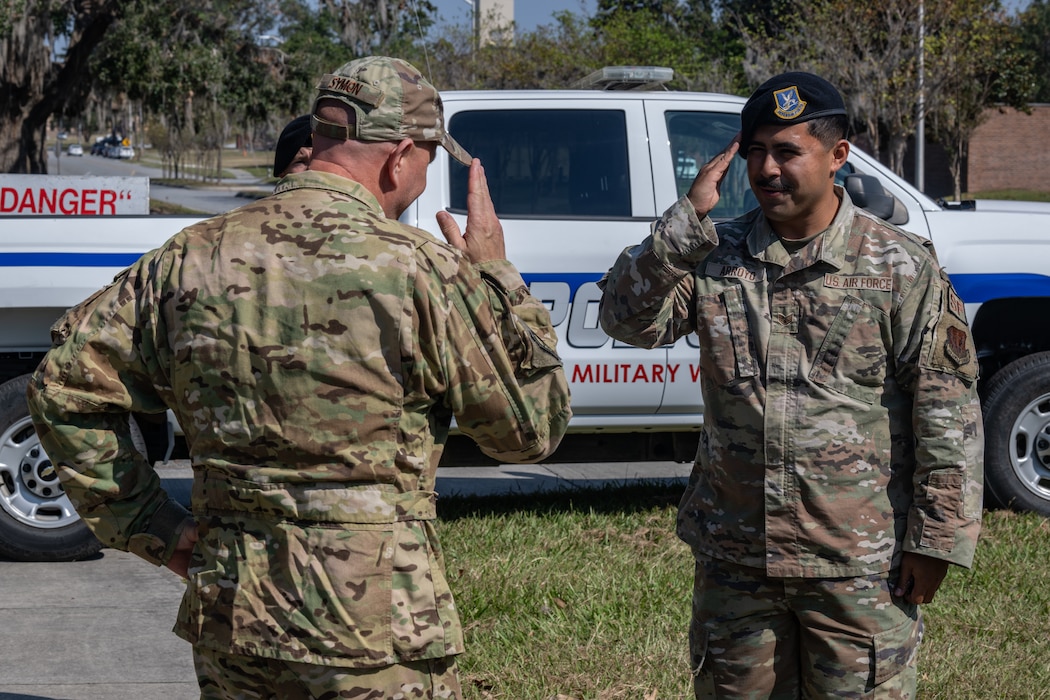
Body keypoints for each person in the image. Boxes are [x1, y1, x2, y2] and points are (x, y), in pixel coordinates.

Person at [27, 55, 571, 699]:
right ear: (400, 158)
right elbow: (530, 432)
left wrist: (153, 525)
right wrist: (498, 277)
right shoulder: (424, 271)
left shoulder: (186, 258)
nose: (423, 178)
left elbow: (61, 390)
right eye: (428, 161)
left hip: (235, 622)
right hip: (377, 637)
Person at [598, 72, 983, 698]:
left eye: (786, 151)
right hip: (737, 557)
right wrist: (685, 222)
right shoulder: (715, 256)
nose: (767, 168)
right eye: (755, 153)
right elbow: (626, 321)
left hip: (856, 562)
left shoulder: (899, 266)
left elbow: (946, 408)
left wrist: (936, 541)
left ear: (838, 156)